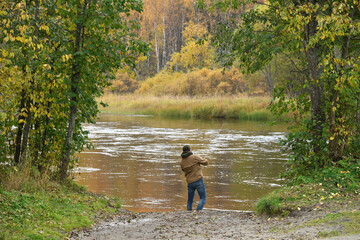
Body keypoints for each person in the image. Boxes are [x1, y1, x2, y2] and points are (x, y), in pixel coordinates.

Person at [180, 145, 208, 211]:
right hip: (198, 180)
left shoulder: (182, 162)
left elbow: (183, 170)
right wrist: (204, 159)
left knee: (190, 200)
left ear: (183, 151)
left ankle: (189, 213)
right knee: (203, 198)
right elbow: (206, 163)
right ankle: (198, 211)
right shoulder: (195, 157)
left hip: (189, 182)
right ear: (189, 150)